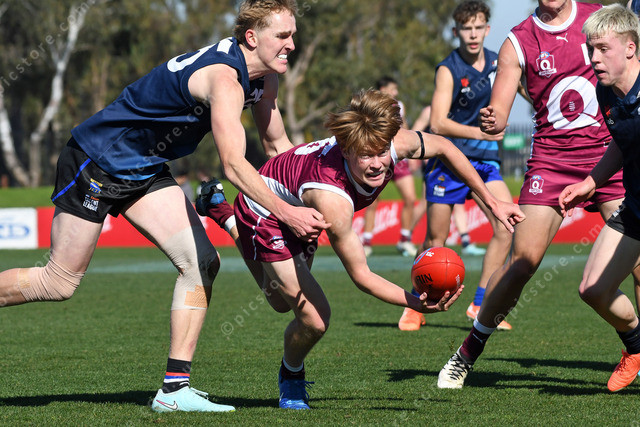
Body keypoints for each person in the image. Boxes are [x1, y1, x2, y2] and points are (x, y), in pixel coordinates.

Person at [0, 0, 330, 413]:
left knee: (202, 263)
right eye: (282, 36)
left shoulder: (264, 79)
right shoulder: (226, 79)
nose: (291, 44)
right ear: (251, 37)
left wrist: (315, 193)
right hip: (98, 159)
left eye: (292, 35)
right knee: (58, 282)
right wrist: (289, 213)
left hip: (145, 168)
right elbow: (233, 165)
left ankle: (174, 391)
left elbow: (279, 148)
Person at [225, 89, 525, 409]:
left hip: (301, 204)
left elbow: (445, 147)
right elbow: (362, 276)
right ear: (345, 149)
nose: (377, 164)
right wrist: (415, 304)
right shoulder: (332, 200)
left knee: (279, 302)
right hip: (264, 211)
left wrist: (492, 202)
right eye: (365, 156)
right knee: (314, 319)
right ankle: (291, 376)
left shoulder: (391, 141)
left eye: (381, 152)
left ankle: (226, 219)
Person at [437, 0, 639, 390]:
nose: (596, 54)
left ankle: (635, 349)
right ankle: (467, 353)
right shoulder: (518, 41)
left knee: (638, 265)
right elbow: (499, 111)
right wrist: (493, 119)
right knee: (522, 263)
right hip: (552, 162)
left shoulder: (599, 18)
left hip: (609, 155)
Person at [399, 0, 514, 332]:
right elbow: (437, 123)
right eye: (466, 28)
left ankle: (480, 304)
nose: (473, 34)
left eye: (478, 27)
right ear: (456, 31)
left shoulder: (500, 64)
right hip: (448, 161)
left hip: (485, 162)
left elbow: (526, 92)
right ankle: (415, 304)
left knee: (507, 227)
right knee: (436, 240)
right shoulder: (448, 69)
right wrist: (480, 132)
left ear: (487, 29)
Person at [560, 4, 640, 392]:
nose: (593, 58)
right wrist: (590, 182)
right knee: (592, 289)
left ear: (630, 47)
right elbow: (622, 144)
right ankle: (637, 348)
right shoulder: (604, 91)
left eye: (603, 49)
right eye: (591, 48)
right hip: (636, 206)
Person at [361, 76, 418, 257]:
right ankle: (366, 242)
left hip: (399, 159)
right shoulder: (370, 104)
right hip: (378, 158)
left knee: (410, 198)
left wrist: (412, 154)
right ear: (383, 88)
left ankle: (404, 240)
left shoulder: (399, 105)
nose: (396, 92)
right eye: (393, 88)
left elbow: (405, 128)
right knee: (372, 201)